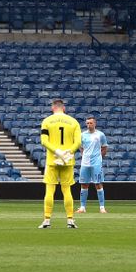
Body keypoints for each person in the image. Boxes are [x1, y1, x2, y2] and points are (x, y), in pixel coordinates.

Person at [39, 98, 81, 229]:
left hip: (52, 160)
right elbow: (78, 143)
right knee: (67, 190)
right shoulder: (74, 122)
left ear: (53, 108)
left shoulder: (46, 121)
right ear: (64, 108)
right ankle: (70, 220)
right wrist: (67, 153)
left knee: (50, 190)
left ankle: (46, 220)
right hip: (67, 160)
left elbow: (44, 141)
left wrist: (57, 152)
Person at [77, 116, 108, 214]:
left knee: (98, 184)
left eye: (90, 123)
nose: (89, 125)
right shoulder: (82, 135)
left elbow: (104, 147)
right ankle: (82, 207)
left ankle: (102, 207)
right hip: (85, 163)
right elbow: (81, 147)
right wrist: (84, 155)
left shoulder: (100, 135)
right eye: (87, 123)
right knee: (84, 184)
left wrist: (99, 158)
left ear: (95, 123)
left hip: (96, 163)